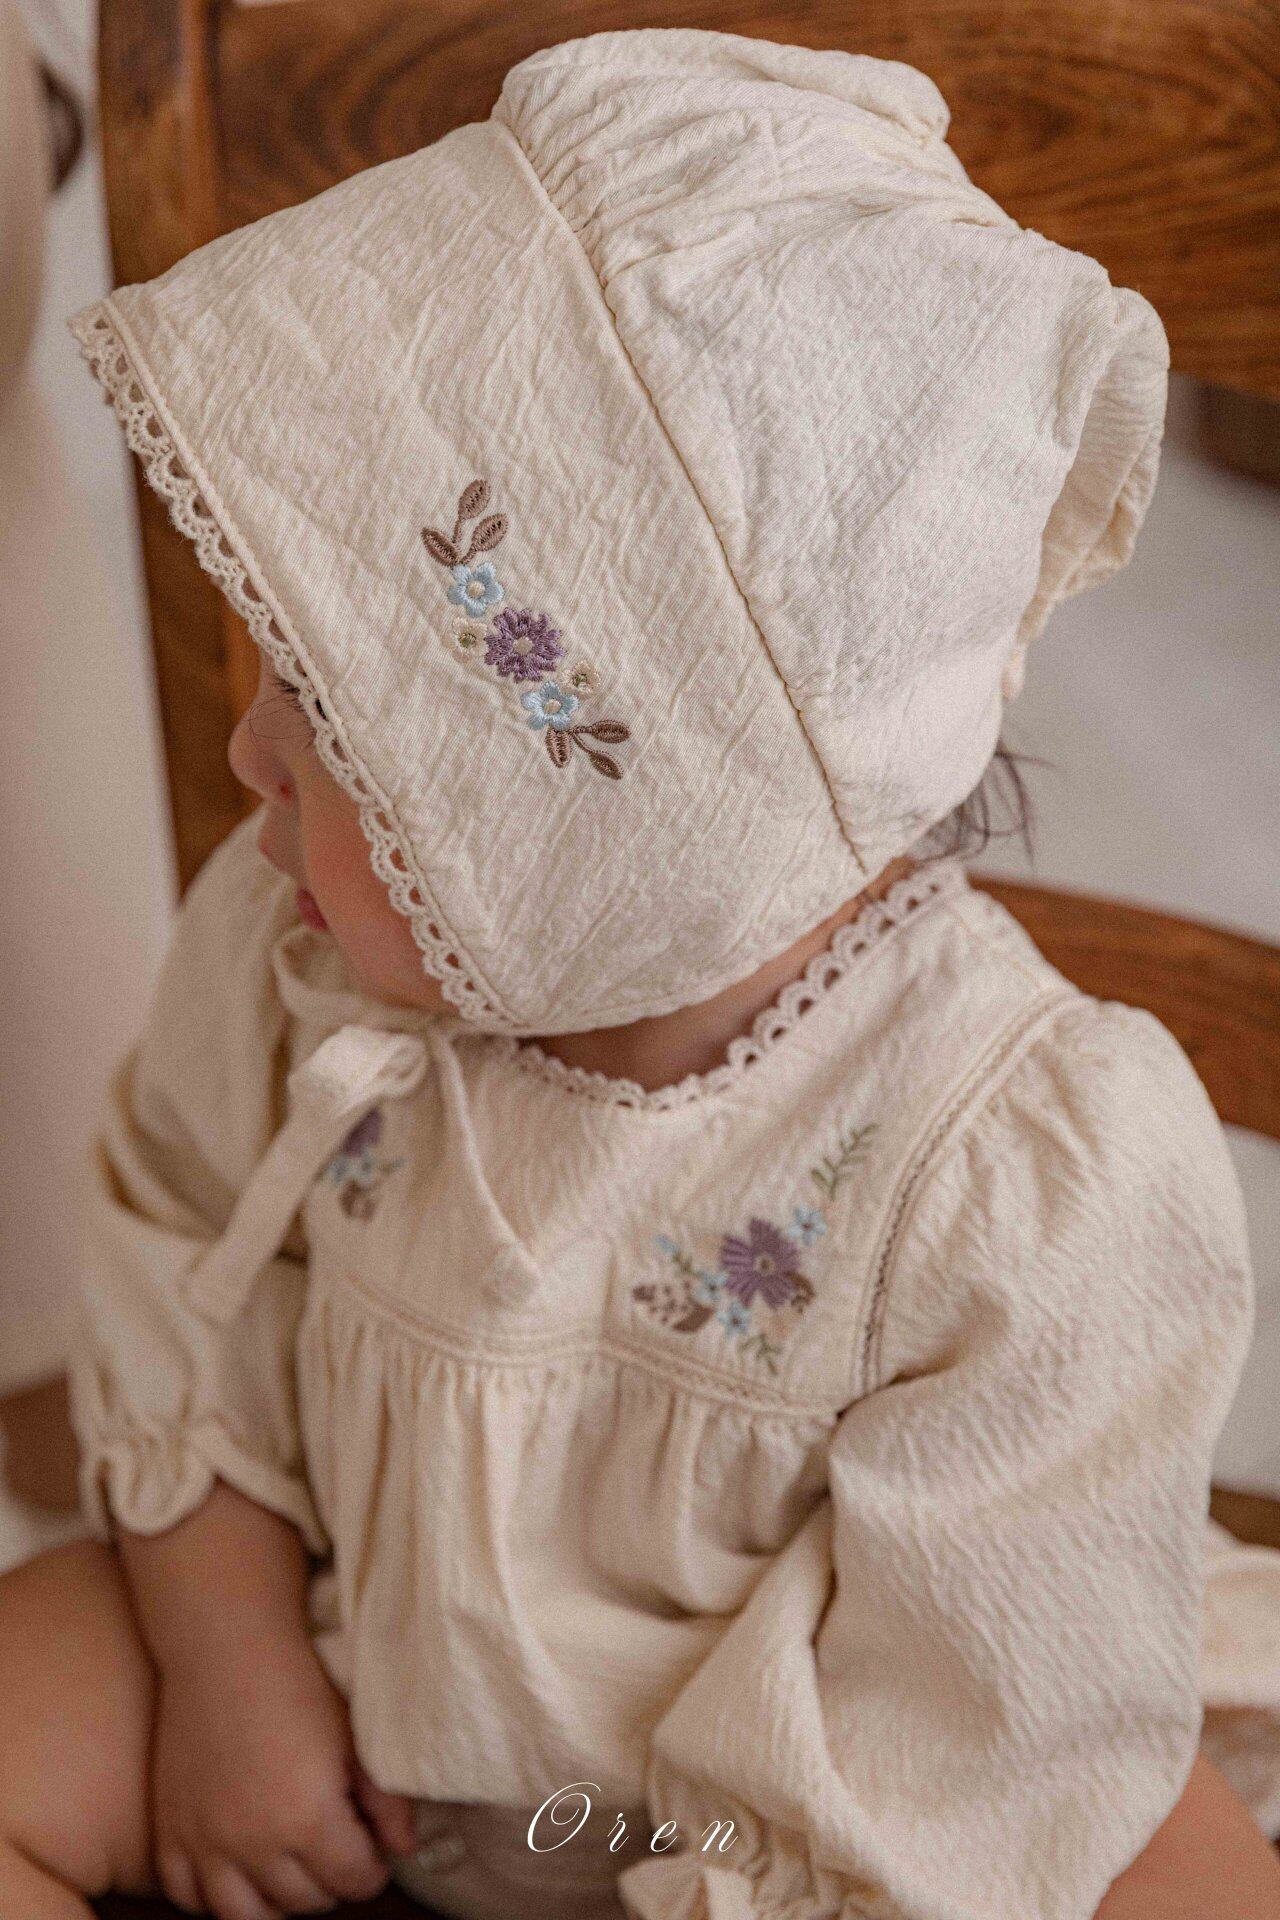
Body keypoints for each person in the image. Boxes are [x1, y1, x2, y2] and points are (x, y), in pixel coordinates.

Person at [3, 27, 1280, 1920]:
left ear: (621, 836)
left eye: (340, 726)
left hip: (810, 1807)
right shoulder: (295, 953)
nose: (252, 755)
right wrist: (231, 1663)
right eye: (279, 663)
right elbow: (176, 1265)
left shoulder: (1023, 1179)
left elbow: (964, 1732)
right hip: (355, 1673)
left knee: (1179, 1873)